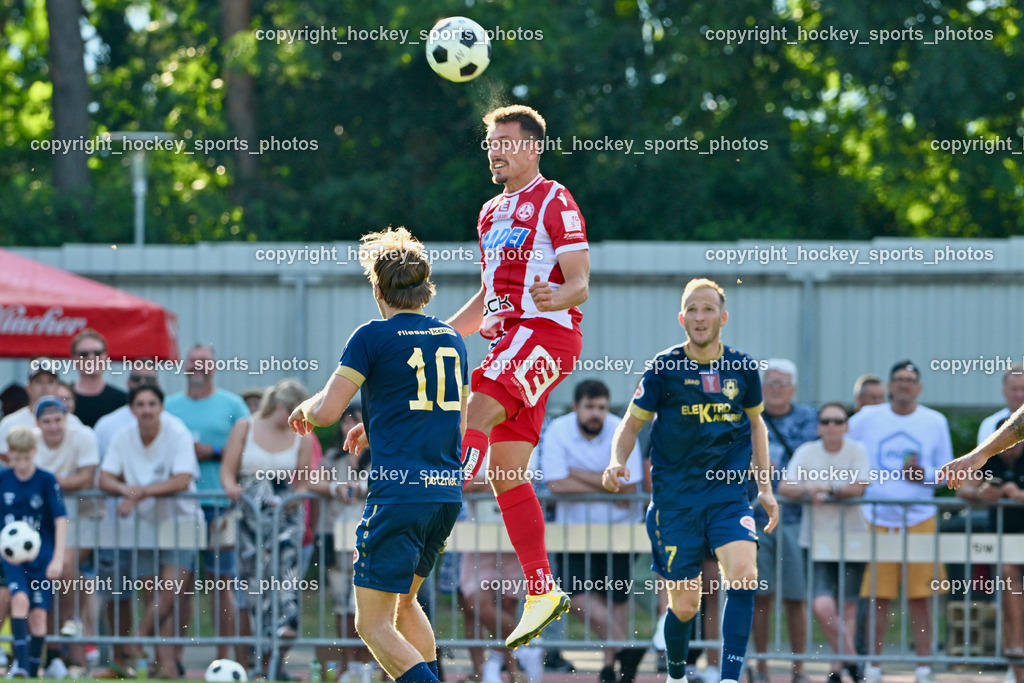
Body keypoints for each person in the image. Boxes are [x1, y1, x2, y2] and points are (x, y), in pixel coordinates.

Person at [289, 227, 467, 683]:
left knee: (371, 625)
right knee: (404, 603)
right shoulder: (452, 338)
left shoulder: (371, 336)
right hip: (444, 494)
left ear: (378, 290)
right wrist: (379, 426)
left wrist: (305, 408)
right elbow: (455, 424)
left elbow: (327, 412)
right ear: (425, 288)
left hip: (398, 498)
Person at [446, 104, 589, 648]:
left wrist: (559, 295)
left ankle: (438, 501)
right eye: (491, 143)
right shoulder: (489, 212)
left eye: (506, 141)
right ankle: (542, 589)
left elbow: (580, 282)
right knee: (507, 472)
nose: (495, 152)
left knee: (476, 405)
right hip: (510, 340)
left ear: (533, 147)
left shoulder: (555, 198)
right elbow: (488, 295)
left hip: (546, 335)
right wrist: (440, 335)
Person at [603, 278, 778, 683]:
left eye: (708, 309)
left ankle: (729, 677)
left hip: (728, 498)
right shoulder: (664, 368)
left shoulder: (742, 367)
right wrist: (615, 461)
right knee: (684, 605)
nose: (700, 317)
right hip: (675, 503)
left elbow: (757, 426)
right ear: (681, 318)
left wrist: (765, 488)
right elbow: (630, 424)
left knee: (744, 575)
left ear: (723, 317)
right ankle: (676, 676)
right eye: (693, 309)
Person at [848, 361, 952, 683]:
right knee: (878, 598)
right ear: (890, 386)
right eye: (899, 380)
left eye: (910, 380)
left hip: (920, 519)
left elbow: (949, 473)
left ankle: (923, 667)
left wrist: (926, 476)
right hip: (875, 519)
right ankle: (874, 666)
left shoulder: (935, 421)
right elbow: (840, 447)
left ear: (919, 387)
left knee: (921, 597)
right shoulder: (867, 418)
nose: (904, 385)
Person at [542, 379, 645, 683]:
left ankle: (610, 667)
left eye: (601, 407)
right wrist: (607, 482)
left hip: (620, 530)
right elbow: (556, 484)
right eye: (589, 406)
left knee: (617, 597)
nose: (595, 413)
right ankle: (625, 645)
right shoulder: (559, 429)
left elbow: (629, 487)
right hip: (573, 531)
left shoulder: (622, 429)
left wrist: (576, 475)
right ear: (576, 406)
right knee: (572, 594)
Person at [98, 384, 203, 680]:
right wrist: (126, 490)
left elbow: (182, 479)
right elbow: (105, 478)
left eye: (152, 404)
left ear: (161, 407)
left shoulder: (177, 431)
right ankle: (166, 667)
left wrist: (139, 493)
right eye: (140, 404)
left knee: (168, 593)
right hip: (144, 525)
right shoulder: (123, 435)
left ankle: (137, 639)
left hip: (181, 521)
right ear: (132, 409)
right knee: (152, 597)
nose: (146, 410)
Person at [221, 378, 314, 677]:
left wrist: (291, 500)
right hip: (250, 517)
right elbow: (228, 471)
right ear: (281, 407)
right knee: (255, 586)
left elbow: (304, 481)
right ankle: (261, 660)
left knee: (286, 581)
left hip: (285, 517)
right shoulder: (245, 427)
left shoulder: (302, 436)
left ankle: (279, 653)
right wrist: (232, 488)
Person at [164, 344, 249, 660]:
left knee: (221, 583)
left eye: (204, 361)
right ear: (184, 366)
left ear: (214, 367)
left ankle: (223, 657)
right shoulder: (169, 406)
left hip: (221, 505)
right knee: (180, 585)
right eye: (193, 361)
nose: (198, 366)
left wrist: (213, 452)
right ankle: (174, 659)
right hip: (180, 507)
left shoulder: (233, 405)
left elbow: (248, 449)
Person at [779, 403, 869, 683]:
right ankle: (853, 659)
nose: (832, 426)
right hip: (816, 539)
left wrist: (829, 488)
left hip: (853, 537)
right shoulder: (807, 451)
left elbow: (860, 487)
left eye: (838, 421)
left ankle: (837, 669)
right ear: (818, 426)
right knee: (822, 605)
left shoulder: (857, 450)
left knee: (848, 607)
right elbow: (784, 486)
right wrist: (808, 488)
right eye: (826, 421)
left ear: (846, 426)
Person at [749, 359, 816, 683]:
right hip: (755, 518)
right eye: (771, 382)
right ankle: (761, 667)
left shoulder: (810, 419)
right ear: (762, 387)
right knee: (760, 595)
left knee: (795, 597)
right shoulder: (748, 416)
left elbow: (819, 458)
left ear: (793, 388)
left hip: (795, 519)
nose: (777, 389)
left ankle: (799, 669)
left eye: (783, 383)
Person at [32, 395, 100, 675]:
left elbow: (86, 478)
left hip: (80, 516)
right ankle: (44, 650)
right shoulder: (31, 441)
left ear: (66, 418)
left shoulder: (82, 435)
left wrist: (47, 483)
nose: (53, 426)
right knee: (39, 579)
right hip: (45, 521)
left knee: (67, 568)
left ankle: (64, 638)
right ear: (38, 423)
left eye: (58, 420)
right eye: (47, 421)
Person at [955, 416, 1024, 683]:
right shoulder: (989, 460)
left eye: (1013, 441)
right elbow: (962, 489)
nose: (1009, 448)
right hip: (1003, 542)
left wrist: (1019, 495)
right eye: (1004, 443)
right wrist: (980, 493)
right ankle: (1016, 662)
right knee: (1008, 595)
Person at [1, 426, 68, 679]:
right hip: (11, 558)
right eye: (16, 458)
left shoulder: (46, 480)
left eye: (26, 458)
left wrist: (57, 558)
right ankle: (20, 666)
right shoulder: (3, 479)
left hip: (42, 558)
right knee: (19, 600)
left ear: (35, 453)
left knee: (38, 616)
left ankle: (31, 669)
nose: (21, 464)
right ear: (9, 454)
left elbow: (60, 520)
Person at [0, 360, 84, 457]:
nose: (44, 387)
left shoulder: (73, 422)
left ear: (57, 387)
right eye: (38, 381)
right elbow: (3, 458)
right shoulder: (10, 424)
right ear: (28, 387)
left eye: (50, 381)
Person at [70, 329, 127, 428]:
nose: (91, 358)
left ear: (106, 357)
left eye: (97, 353)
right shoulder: (63, 398)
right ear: (74, 359)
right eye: (84, 354)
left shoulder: (122, 400)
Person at [978, 366, 1024, 443]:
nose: (1019, 395)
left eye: (1023, 388)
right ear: (1004, 391)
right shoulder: (990, 424)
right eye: (1014, 389)